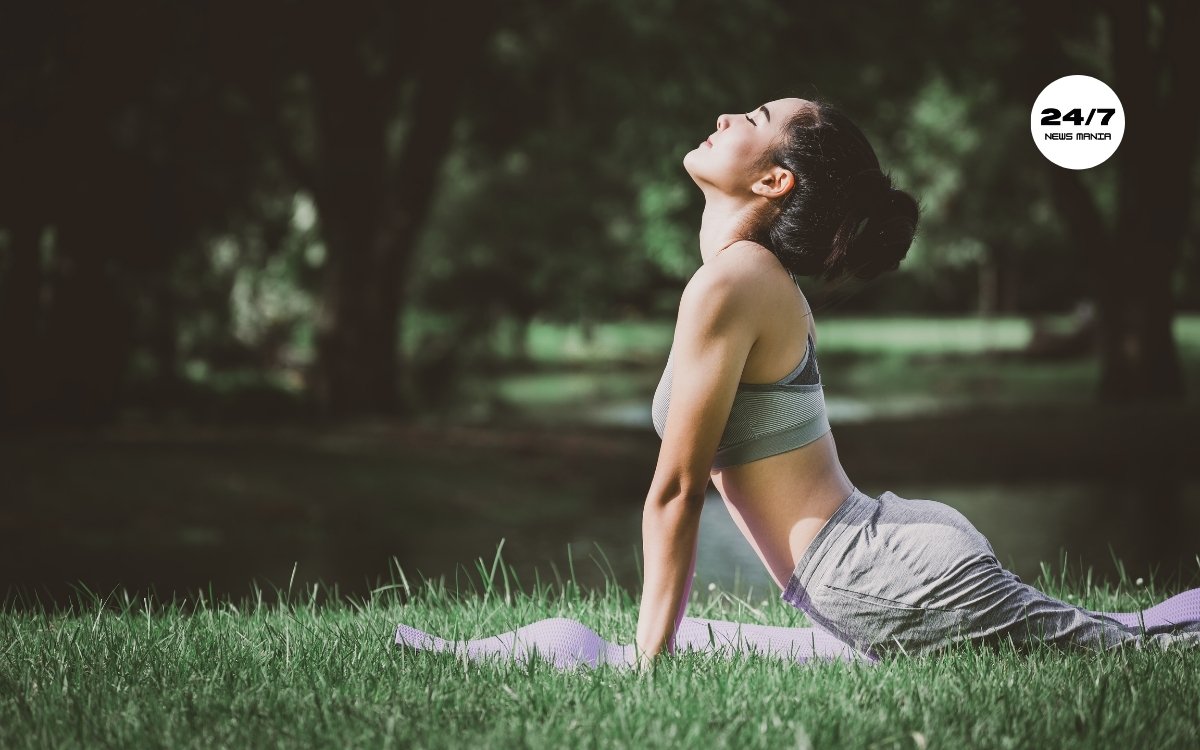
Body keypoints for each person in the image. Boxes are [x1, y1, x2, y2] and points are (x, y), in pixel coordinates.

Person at [395, 97, 1200, 671]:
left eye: (751, 122)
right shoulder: (750, 278)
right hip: (870, 563)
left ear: (775, 181)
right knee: (1123, 633)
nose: (724, 118)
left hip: (875, 575)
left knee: (1134, 650)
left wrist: (649, 667)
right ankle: (456, 654)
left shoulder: (736, 281)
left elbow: (675, 491)